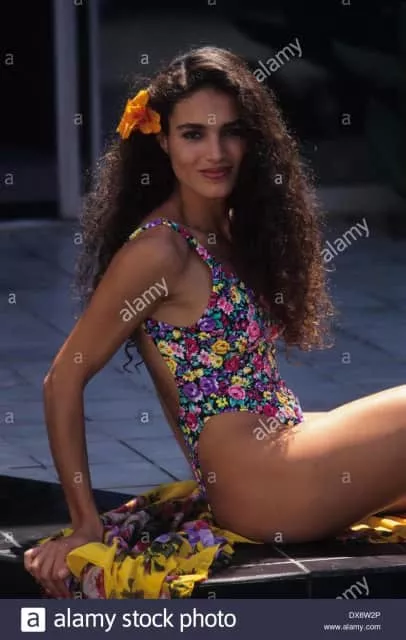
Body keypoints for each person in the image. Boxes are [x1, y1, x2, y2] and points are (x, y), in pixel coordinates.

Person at [24, 46, 406, 599]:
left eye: (230, 132)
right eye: (193, 134)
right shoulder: (159, 252)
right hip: (263, 487)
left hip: (286, 444)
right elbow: (62, 379)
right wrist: (85, 524)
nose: (216, 152)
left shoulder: (229, 226)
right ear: (162, 140)